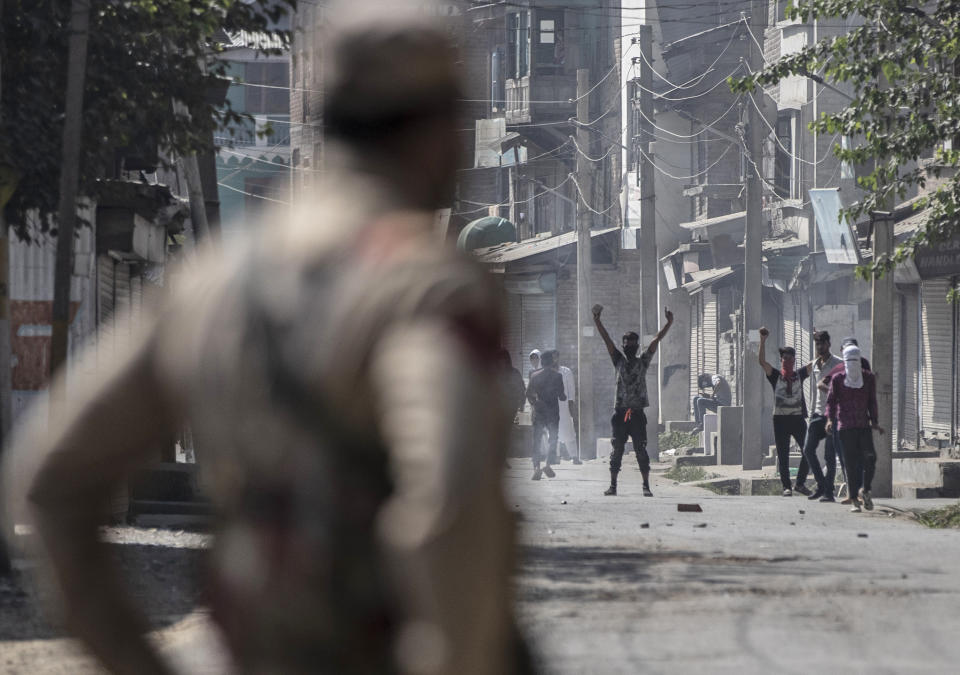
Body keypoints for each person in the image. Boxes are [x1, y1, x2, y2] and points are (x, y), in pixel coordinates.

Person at [2, 4, 527, 674]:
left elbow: (49, 481)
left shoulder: (210, 282)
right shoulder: (420, 285)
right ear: (441, 134)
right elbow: (449, 504)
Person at [593, 304, 673, 497]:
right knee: (617, 450)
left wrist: (668, 324)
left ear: (637, 346)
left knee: (640, 450)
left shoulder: (643, 361)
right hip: (620, 413)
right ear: (623, 345)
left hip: (636, 413)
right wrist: (597, 320)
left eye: (633, 343)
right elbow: (607, 341)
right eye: (626, 343)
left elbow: (656, 341)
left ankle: (646, 486)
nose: (629, 345)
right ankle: (613, 486)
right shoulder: (618, 360)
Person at [825, 344, 883, 513]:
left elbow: (872, 402)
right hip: (846, 427)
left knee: (870, 458)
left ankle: (865, 490)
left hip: (863, 426)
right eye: (848, 361)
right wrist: (829, 420)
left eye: (854, 361)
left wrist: (875, 421)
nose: (852, 365)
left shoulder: (868, 378)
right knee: (850, 463)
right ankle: (854, 500)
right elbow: (831, 401)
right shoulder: (837, 379)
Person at [758, 327, 812, 497]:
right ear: (781, 360)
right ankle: (786, 487)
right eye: (784, 359)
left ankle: (800, 483)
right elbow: (762, 362)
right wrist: (762, 341)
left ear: (794, 360)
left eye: (790, 359)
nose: (786, 361)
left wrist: (818, 342)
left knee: (808, 451)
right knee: (783, 455)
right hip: (780, 420)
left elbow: (814, 363)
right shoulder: (775, 376)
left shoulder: (799, 375)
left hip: (797, 419)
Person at [799, 331, 843, 501]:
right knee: (808, 450)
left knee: (829, 456)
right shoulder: (815, 364)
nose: (820, 347)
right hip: (817, 414)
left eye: (822, 344)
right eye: (817, 344)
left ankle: (828, 492)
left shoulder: (839, 364)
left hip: (833, 414)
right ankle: (821, 485)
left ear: (828, 344)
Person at [525, 350, 566, 480]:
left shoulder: (534, 376)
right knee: (553, 439)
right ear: (552, 361)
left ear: (542, 362)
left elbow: (528, 394)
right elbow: (562, 396)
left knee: (536, 440)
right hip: (552, 413)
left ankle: (536, 467)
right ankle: (548, 464)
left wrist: (534, 403)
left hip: (539, 412)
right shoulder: (557, 376)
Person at [553, 350, 580, 463]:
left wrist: (571, 405)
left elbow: (571, 390)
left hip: (564, 407)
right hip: (551, 407)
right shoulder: (547, 372)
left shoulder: (566, 371)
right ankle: (556, 457)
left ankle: (574, 456)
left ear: (558, 358)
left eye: (555, 357)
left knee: (569, 430)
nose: (553, 360)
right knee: (553, 431)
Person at [498, 349, 526, 422]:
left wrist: (522, 403)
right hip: (498, 405)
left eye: (503, 359)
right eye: (500, 359)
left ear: (507, 360)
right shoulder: (495, 373)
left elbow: (521, 388)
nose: (502, 361)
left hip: (511, 405)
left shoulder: (514, 373)